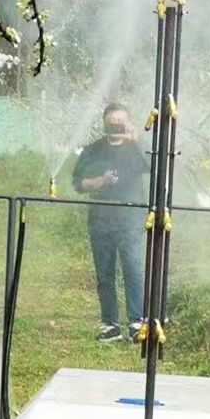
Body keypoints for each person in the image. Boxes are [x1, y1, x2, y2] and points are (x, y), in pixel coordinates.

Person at [72, 103, 148, 342]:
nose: (115, 126)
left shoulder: (137, 149)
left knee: (133, 269)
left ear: (128, 123)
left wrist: (137, 140)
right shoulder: (93, 149)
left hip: (130, 218)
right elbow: (77, 182)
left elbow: (152, 166)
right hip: (100, 219)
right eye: (111, 121)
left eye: (120, 121)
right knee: (104, 273)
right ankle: (110, 324)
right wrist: (97, 183)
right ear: (104, 122)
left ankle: (137, 322)